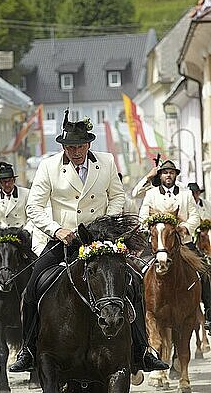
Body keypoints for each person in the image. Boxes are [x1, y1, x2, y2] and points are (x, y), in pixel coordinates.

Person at [9, 110, 168, 373]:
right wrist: (56, 229)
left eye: (80, 146)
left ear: (89, 144)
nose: (75, 151)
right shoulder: (48, 166)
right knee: (34, 285)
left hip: (101, 240)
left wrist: (105, 224)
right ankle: (28, 349)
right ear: (63, 146)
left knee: (134, 282)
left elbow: (118, 196)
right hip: (65, 240)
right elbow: (34, 207)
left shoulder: (105, 162)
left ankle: (142, 350)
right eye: (70, 147)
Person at [139, 162, 208, 329]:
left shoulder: (186, 195)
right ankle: (140, 315)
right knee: (137, 270)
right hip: (158, 244)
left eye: (171, 172)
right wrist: (154, 226)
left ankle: (209, 314)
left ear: (175, 175)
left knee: (204, 272)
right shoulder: (151, 194)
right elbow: (142, 218)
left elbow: (195, 217)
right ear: (160, 176)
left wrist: (184, 228)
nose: (168, 175)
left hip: (183, 244)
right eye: (165, 173)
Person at [0, 162, 29, 230]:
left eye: (10, 181)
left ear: (14, 180)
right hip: (2, 235)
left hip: (23, 233)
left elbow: (32, 217)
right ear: (0, 182)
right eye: (4, 182)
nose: (7, 184)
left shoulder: (26, 194)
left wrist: (27, 231)